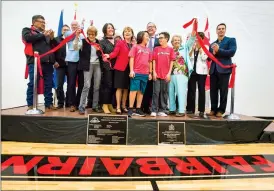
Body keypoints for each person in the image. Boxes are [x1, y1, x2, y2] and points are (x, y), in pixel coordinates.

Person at [22, 15, 57, 112]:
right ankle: (30, 105)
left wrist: (52, 38)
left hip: (48, 63)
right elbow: (27, 38)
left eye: (44, 22)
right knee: (33, 83)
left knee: (49, 84)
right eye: (42, 22)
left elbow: (53, 47)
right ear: (34, 22)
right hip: (35, 62)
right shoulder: (27, 30)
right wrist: (43, 34)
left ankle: (48, 104)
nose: (43, 24)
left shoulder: (45, 34)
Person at [208, 23, 237, 117]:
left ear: (225, 30)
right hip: (213, 70)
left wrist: (218, 50)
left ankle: (221, 110)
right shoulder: (212, 44)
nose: (221, 30)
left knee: (223, 91)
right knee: (213, 91)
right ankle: (213, 109)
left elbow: (231, 52)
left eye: (222, 28)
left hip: (224, 69)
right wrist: (211, 53)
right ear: (216, 31)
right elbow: (209, 58)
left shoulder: (231, 40)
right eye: (219, 29)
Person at [169, 20, 197, 117]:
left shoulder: (185, 47)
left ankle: (181, 110)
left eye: (178, 40)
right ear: (171, 42)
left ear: (181, 41)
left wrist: (194, 27)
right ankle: (172, 109)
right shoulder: (169, 50)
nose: (176, 41)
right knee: (171, 92)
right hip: (171, 74)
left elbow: (192, 38)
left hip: (182, 73)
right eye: (174, 40)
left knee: (181, 91)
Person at [73, 26, 103, 114]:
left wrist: (100, 52)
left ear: (95, 34)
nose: (91, 35)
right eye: (89, 34)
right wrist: (77, 37)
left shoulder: (98, 42)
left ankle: (95, 106)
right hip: (87, 65)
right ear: (87, 34)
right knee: (87, 86)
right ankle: (81, 106)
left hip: (97, 65)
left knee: (97, 87)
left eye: (93, 34)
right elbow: (75, 48)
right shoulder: (83, 41)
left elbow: (101, 54)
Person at [105, 27, 134, 114]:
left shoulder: (133, 45)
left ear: (132, 34)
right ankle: (118, 107)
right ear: (123, 34)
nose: (127, 33)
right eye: (125, 31)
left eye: (129, 31)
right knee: (119, 88)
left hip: (130, 69)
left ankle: (123, 106)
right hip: (120, 68)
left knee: (126, 88)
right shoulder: (120, 43)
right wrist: (108, 56)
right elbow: (115, 53)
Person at [128, 31, 152, 117]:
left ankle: (138, 109)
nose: (148, 37)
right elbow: (131, 58)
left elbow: (150, 62)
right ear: (141, 37)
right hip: (136, 72)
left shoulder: (148, 50)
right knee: (133, 90)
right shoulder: (135, 47)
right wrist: (131, 70)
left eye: (148, 36)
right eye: (146, 35)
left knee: (141, 92)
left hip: (145, 74)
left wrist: (150, 73)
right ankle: (130, 109)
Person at [151, 32, 175, 117]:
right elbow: (153, 60)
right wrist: (154, 72)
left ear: (166, 39)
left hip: (166, 75)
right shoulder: (156, 49)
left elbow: (172, 62)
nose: (160, 39)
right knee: (156, 92)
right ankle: (154, 110)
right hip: (157, 74)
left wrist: (169, 73)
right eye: (159, 38)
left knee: (164, 92)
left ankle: (162, 110)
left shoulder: (170, 49)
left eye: (161, 38)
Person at [186, 32, 208, 118]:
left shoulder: (205, 47)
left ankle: (201, 110)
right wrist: (193, 49)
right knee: (191, 90)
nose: (197, 40)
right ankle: (190, 109)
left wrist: (201, 49)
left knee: (201, 90)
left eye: (199, 38)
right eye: (196, 38)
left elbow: (204, 58)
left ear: (202, 39)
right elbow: (189, 57)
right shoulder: (191, 46)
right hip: (192, 72)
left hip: (202, 72)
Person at [64, 20, 84, 112]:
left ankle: (78, 103)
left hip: (82, 61)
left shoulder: (82, 35)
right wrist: (76, 33)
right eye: (72, 25)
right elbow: (71, 37)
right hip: (72, 61)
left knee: (81, 84)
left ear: (79, 25)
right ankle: (71, 103)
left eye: (76, 25)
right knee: (71, 83)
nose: (74, 26)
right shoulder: (68, 33)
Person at [142, 22, 160, 114]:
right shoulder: (143, 39)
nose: (150, 28)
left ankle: (154, 107)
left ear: (155, 29)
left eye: (152, 27)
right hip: (144, 65)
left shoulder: (159, 39)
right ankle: (144, 107)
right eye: (148, 27)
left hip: (156, 66)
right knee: (146, 87)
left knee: (155, 89)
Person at [99, 23, 117, 114]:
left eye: (112, 27)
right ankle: (104, 104)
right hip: (107, 67)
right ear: (105, 30)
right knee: (107, 85)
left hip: (116, 67)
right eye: (108, 28)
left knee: (114, 86)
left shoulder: (117, 41)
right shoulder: (101, 42)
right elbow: (100, 54)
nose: (111, 29)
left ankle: (110, 103)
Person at [54, 24, 70, 109]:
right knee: (59, 84)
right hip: (60, 65)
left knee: (70, 85)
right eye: (64, 30)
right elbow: (52, 51)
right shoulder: (56, 39)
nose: (66, 31)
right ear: (61, 31)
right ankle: (60, 102)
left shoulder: (72, 39)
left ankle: (68, 102)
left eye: (67, 29)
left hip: (71, 65)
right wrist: (54, 62)